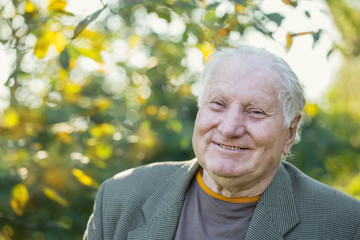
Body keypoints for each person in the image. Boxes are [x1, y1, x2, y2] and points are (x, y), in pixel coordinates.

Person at [83, 46, 360, 240]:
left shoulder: (345, 225)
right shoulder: (120, 197)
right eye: (218, 104)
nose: (229, 128)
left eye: (256, 112)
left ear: (290, 132)